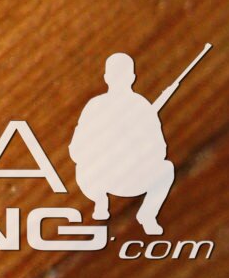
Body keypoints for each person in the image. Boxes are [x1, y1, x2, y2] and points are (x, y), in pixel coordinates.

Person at [72, 53, 175, 236]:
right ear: (132, 77)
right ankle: (101, 201)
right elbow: (76, 149)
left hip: (124, 178)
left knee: (166, 169)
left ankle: (144, 214)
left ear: (106, 77)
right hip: (104, 176)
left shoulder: (138, 108)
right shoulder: (100, 107)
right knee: (166, 169)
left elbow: (159, 150)